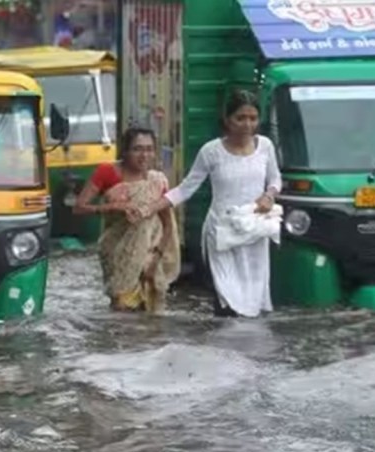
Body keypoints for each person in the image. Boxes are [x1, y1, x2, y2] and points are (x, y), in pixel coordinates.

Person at [134, 90, 281, 318]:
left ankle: (252, 350)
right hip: (221, 234)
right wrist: (150, 208)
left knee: (253, 296)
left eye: (252, 118)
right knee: (226, 296)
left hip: (254, 233)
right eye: (240, 118)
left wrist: (269, 195)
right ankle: (223, 348)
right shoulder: (211, 152)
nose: (247, 124)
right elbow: (186, 188)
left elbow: (275, 179)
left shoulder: (265, 147)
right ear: (227, 119)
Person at [75, 127, 180, 312]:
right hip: (116, 250)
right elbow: (79, 208)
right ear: (125, 151)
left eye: (149, 149)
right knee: (122, 309)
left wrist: (155, 260)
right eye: (137, 149)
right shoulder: (106, 172)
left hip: (149, 253)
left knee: (150, 314)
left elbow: (167, 224)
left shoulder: (157, 181)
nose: (144, 155)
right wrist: (111, 207)